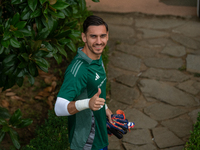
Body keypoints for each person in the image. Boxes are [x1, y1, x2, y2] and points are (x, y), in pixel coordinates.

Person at [54, 15, 113, 150]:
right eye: (93, 36)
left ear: (107, 36)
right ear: (84, 37)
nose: (99, 41)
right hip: (87, 142)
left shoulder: (97, 56)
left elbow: (94, 90)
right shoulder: (78, 70)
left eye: (102, 36)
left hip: (100, 136)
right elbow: (58, 108)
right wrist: (87, 103)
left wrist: (105, 109)